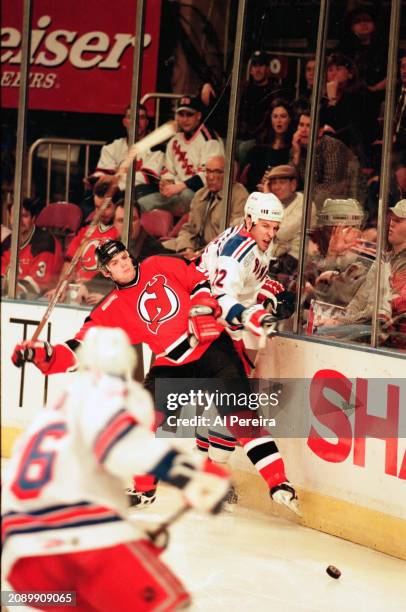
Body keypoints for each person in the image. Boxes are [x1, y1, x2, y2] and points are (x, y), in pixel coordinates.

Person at [12, 238, 299, 514]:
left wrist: (200, 307)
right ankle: (144, 489)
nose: (124, 263)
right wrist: (41, 354)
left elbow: (199, 280)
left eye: (124, 256)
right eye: (115, 262)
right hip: (172, 364)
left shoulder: (159, 264)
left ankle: (279, 482)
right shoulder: (111, 308)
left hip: (214, 349)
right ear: (106, 272)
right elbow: (76, 350)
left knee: (242, 419)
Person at [3, 326, 230, 610]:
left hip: (23, 565)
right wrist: (189, 476)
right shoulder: (109, 390)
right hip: (82, 544)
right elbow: (117, 439)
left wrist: (125, 530)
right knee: (167, 606)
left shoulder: (53, 411)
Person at [195, 192, 296, 486]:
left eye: (275, 228)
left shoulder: (252, 239)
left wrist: (272, 293)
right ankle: (212, 476)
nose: (271, 233)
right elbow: (221, 297)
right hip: (210, 325)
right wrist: (253, 316)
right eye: (266, 226)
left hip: (222, 326)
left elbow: (251, 281)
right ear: (250, 220)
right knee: (232, 403)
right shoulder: (237, 249)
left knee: (223, 403)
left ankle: (209, 473)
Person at [76, 200, 174, 306]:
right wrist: (87, 286)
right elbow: (110, 269)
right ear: (114, 224)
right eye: (121, 220)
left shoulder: (153, 249)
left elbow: (141, 288)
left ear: (140, 221)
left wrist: (110, 297)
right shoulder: (118, 244)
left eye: (133, 220)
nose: (128, 226)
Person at [138, 96, 225, 215]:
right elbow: (168, 170)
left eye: (189, 114)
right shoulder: (175, 140)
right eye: (181, 114)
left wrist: (180, 186)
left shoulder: (209, 139)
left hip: (203, 194)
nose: (185, 119)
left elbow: (208, 175)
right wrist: (166, 183)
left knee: (185, 194)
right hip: (176, 192)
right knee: (141, 201)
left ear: (198, 116)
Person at [45, 177, 119, 303]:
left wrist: (97, 288)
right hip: (77, 292)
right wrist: (61, 286)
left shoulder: (120, 233)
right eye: (97, 207)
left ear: (118, 205)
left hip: (101, 294)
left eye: (106, 207)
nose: (100, 213)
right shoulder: (85, 231)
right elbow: (69, 263)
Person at [162, 155, 247, 257]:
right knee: (155, 251)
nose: (210, 177)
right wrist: (187, 248)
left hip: (216, 254)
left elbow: (232, 237)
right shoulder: (200, 194)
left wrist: (200, 254)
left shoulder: (240, 197)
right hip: (192, 247)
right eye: (208, 171)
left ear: (231, 174)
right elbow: (189, 229)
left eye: (217, 172)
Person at [290, 109, 366, 208]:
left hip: (346, 197)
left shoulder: (331, 146)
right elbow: (291, 183)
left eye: (309, 126)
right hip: (314, 196)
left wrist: (299, 194)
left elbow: (331, 185)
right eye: (301, 125)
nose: (303, 130)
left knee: (320, 197)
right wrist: (296, 154)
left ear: (320, 132)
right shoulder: (297, 147)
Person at [86, 104, 164, 198]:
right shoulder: (112, 146)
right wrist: (95, 179)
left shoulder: (156, 148)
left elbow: (146, 178)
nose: (136, 122)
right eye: (131, 117)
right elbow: (103, 172)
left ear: (146, 122)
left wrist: (113, 179)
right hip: (112, 194)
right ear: (124, 122)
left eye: (141, 118)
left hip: (139, 195)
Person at [263, 165, 316, 285]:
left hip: (297, 261)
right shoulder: (276, 203)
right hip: (274, 257)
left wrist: (267, 200)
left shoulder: (305, 203)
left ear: (293, 185)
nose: (276, 187)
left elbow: (282, 233)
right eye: (273, 183)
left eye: (281, 182)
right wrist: (268, 199)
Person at [1, 198, 63, 299]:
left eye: (24, 216)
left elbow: (36, 287)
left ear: (33, 218)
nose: (19, 220)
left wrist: (6, 286)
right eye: (15, 215)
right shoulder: (7, 243)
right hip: (12, 298)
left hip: (41, 300)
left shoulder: (45, 242)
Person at [242, 99, 296, 193]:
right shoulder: (258, 149)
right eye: (275, 116)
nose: (279, 120)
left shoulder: (292, 149)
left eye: (283, 116)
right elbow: (248, 181)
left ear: (290, 120)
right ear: (270, 119)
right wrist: (260, 183)